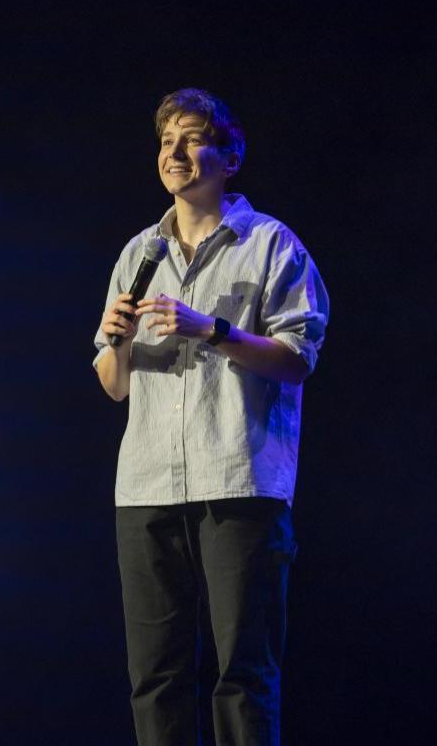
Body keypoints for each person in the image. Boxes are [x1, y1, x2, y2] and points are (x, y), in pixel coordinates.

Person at [92, 88, 329, 746]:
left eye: (191, 138)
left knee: (242, 675)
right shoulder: (140, 253)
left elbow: (296, 359)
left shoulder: (271, 244)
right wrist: (116, 344)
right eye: (166, 141)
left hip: (239, 482)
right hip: (145, 490)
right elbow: (113, 387)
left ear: (230, 153)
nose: (175, 153)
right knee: (156, 676)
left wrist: (212, 328)